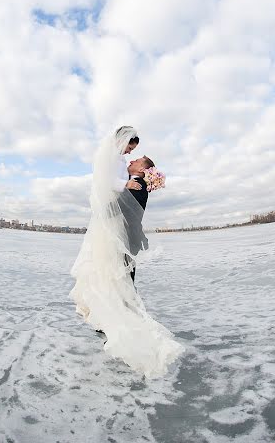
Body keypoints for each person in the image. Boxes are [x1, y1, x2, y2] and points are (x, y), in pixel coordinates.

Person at [69, 126, 183, 378]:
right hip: (117, 234)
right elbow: (111, 188)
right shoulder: (121, 168)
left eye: (136, 156)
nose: (131, 156)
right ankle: (113, 312)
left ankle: (119, 316)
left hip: (120, 235)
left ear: (142, 170)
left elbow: (124, 208)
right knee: (114, 274)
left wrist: (104, 214)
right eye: (131, 149)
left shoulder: (136, 183)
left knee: (117, 274)